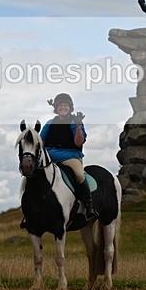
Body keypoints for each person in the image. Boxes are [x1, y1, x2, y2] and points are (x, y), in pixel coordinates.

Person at [40, 93, 97, 221]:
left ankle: (89, 205)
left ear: (70, 107)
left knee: (80, 175)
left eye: (65, 105)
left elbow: (79, 142)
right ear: (56, 108)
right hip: (50, 157)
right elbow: (41, 141)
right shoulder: (49, 123)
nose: (63, 107)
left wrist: (77, 126)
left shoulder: (74, 121)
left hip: (70, 156)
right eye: (60, 105)